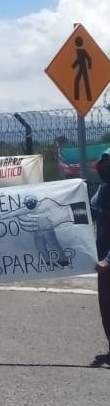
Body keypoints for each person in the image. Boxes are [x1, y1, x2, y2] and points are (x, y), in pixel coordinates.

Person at [90, 148, 110, 365]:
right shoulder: (104, 191)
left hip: (107, 260)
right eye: (105, 167)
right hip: (104, 260)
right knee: (106, 307)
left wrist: (108, 261)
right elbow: (89, 213)